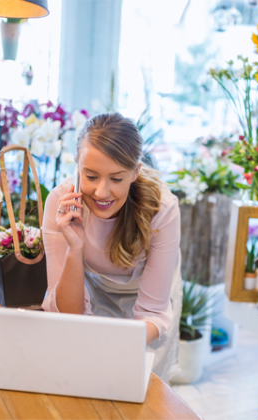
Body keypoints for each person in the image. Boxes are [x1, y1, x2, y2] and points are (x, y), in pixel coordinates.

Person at [41, 113, 182, 382]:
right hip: (91, 290)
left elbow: (152, 312)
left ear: (136, 172)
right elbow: (69, 314)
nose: (102, 193)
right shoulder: (60, 201)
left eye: (116, 179)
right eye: (91, 176)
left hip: (148, 305)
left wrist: (116, 350)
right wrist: (75, 248)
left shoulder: (162, 209)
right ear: (77, 165)